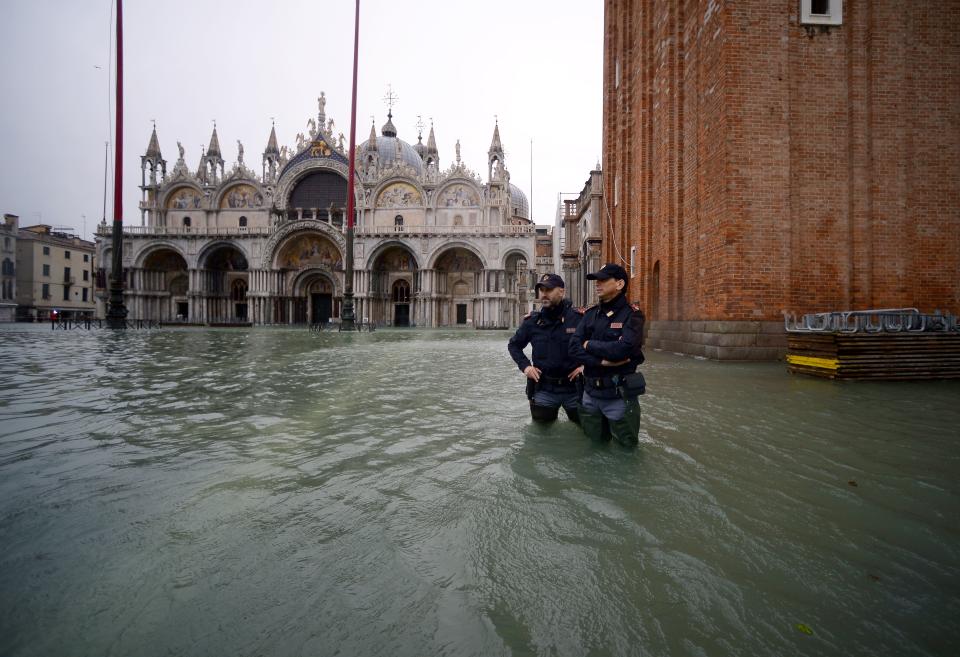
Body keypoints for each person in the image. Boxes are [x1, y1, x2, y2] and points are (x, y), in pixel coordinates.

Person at [569, 264, 646, 447]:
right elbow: (573, 347)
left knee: (626, 452)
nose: (597, 284)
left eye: (603, 280)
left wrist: (589, 344)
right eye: (596, 280)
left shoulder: (633, 316)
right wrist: (600, 361)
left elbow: (623, 349)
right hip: (590, 395)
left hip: (618, 396)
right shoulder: (589, 315)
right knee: (594, 447)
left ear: (619, 284)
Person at [508, 273, 584, 424]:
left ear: (561, 291)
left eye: (548, 290)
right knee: (541, 436)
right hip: (544, 389)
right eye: (541, 290)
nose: (544, 294)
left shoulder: (579, 319)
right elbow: (514, 345)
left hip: (575, 389)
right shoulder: (532, 321)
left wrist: (585, 366)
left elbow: (595, 343)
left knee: (585, 431)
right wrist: (526, 367)